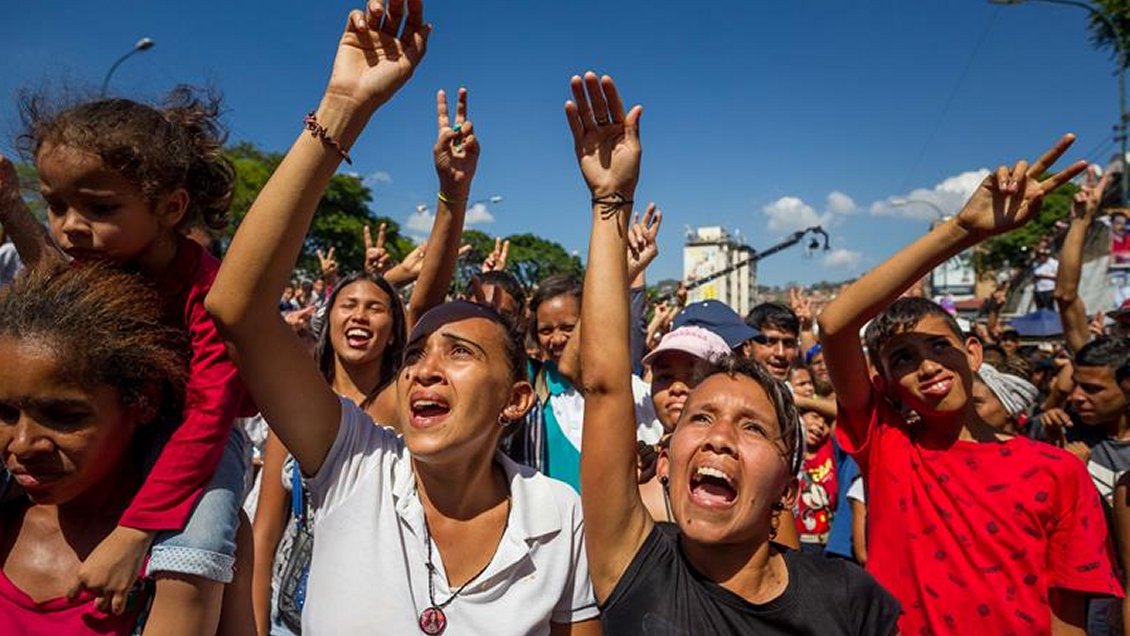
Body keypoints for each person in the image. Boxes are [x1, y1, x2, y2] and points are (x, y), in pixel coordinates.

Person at [205, 3, 600, 632]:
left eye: (460, 352)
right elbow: (237, 308)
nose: (422, 370)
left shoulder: (557, 513)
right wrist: (343, 107)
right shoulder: (352, 461)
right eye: (414, 355)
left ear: (517, 399)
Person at [572, 70, 899, 635]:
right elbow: (603, 383)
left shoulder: (849, 601)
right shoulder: (634, 563)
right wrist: (609, 203)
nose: (719, 438)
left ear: (788, 489)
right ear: (667, 460)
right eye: (701, 418)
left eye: (752, 427)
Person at [818, 134, 1122, 635]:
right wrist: (961, 229)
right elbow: (835, 325)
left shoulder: (1059, 472)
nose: (927, 366)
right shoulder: (889, 446)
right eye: (903, 358)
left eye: (940, 346)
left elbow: (1068, 617)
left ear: (973, 353)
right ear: (886, 384)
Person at [1, 87, 255, 632]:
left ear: (170, 208)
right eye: (55, 205)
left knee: (202, 533)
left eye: (100, 207)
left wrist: (133, 533)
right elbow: (53, 285)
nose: (70, 226)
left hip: (200, 429)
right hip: (129, 420)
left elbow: (209, 417)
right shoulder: (99, 257)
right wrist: (11, 208)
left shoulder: (210, 293)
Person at [0, 264, 187, 633]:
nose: (22, 444)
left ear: (144, 401)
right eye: (5, 413)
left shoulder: (190, 546)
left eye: (62, 416)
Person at [794, 407, 837, 552]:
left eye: (826, 423)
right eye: (815, 416)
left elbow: (840, 409)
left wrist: (804, 401)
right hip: (793, 541)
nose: (820, 425)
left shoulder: (829, 449)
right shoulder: (789, 453)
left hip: (824, 545)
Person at [745, 302, 801, 381]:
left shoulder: (788, 388)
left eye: (788, 343)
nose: (781, 353)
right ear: (747, 347)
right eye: (770, 342)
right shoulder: (733, 387)